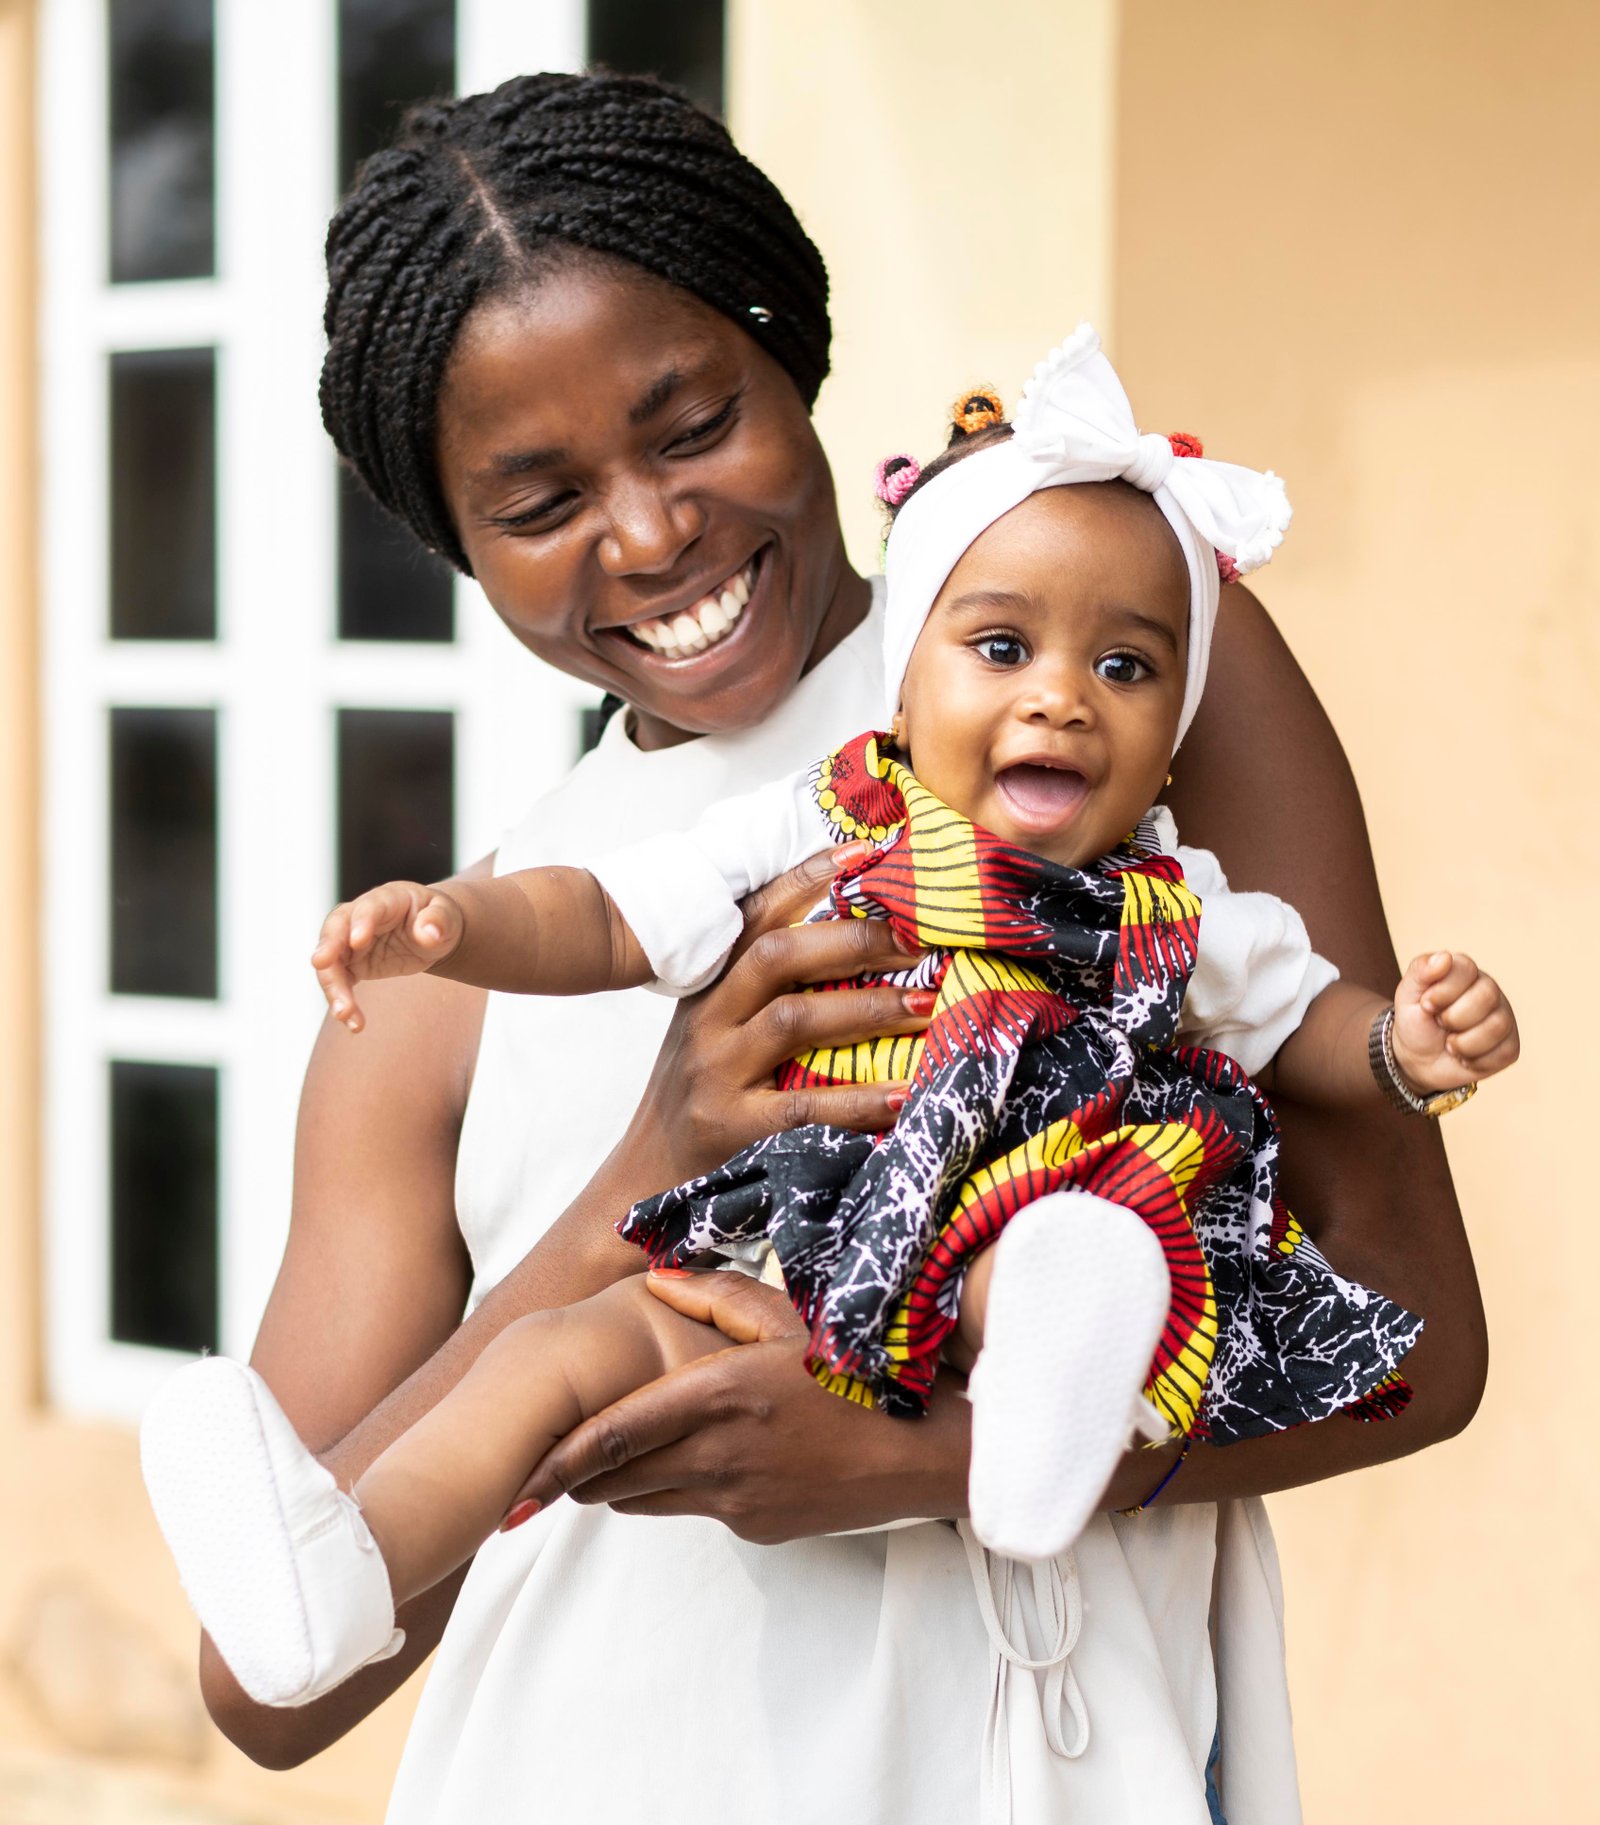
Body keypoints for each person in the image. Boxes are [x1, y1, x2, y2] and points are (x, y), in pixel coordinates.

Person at [193, 71, 1488, 1825]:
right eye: (536, 498)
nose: (650, 536)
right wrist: (645, 1168)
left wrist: (925, 1464)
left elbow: (1412, 1339)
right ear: (453, 545)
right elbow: (264, 1688)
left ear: (784, 345)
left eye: (690, 420)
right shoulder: (464, 974)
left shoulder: (1118, 670)